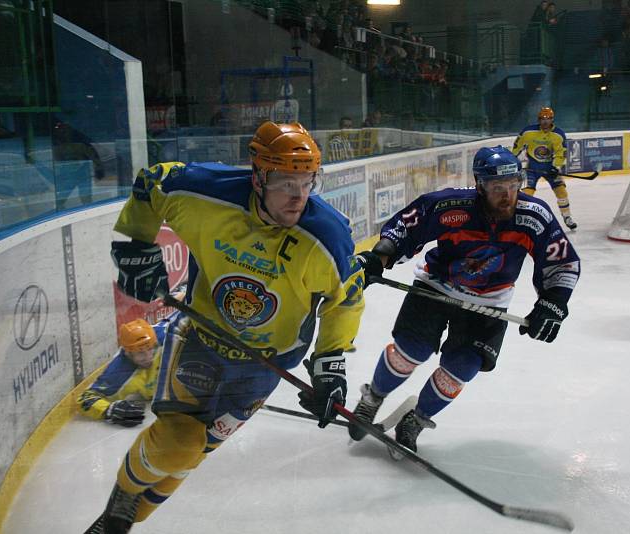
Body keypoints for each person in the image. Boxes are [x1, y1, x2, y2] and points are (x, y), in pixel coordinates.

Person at [85, 121, 365, 534]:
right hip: (201, 339)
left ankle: (122, 523)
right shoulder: (208, 193)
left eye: (307, 182)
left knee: (193, 454)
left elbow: (346, 301)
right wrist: (137, 244)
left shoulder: (327, 235)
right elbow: (152, 182)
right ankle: (118, 508)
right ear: (259, 177)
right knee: (179, 444)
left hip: (265, 367)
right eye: (287, 182)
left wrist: (330, 363)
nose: (299, 196)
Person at [350, 146, 580, 455]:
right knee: (411, 352)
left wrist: (553, 302)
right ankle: (372, 398)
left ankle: (416, 420)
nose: (507, 195)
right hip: (435, 286)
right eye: (498, 187)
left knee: (462, 368)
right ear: (480, 185)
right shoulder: (452, 206)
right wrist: (381, 256)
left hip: (490, 302)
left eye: (513, 185)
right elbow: (407, 225)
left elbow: (561, 263)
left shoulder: (533, 216)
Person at [76, 313, 178, 427]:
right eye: (140, 353)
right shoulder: (119, 371)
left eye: (150, 349)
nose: (148, 356)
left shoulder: (168, 337)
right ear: (128, 353)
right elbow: (84, 398)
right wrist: (108, 410)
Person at [512, 106, 578, 230]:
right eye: (543, 119)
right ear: (539, 119)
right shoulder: (528, 132)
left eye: (548, 119)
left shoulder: (558, 134)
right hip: (532, 168)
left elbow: (561, 152)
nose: (545, 121)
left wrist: (556, 167)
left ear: (552, 119)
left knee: (561, 191)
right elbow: (517, 146)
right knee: (526, 195)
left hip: (550, 168)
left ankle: (567, 216)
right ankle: (521, 220)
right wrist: (512, 160)